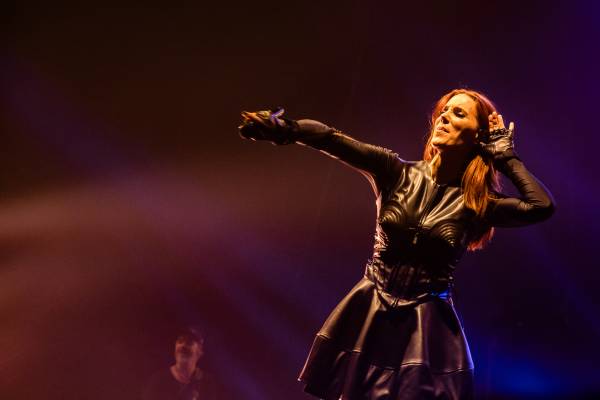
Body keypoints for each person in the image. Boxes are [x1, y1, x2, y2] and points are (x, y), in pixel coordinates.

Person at [238, 88, 554, 400]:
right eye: (443, 111)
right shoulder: (395, 171)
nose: (444, 117)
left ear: (479, 135)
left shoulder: (478, 203)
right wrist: (288, 129)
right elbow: (332, 139)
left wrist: (505, 157)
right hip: (371, 311)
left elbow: (541, 206)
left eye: (458, 113)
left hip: (424, 326)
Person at [142, 329, 218, 400]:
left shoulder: (208, 383)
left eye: (189, 343)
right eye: (180, 341)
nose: (183, 346)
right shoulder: (158, 380)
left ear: (200, 352)